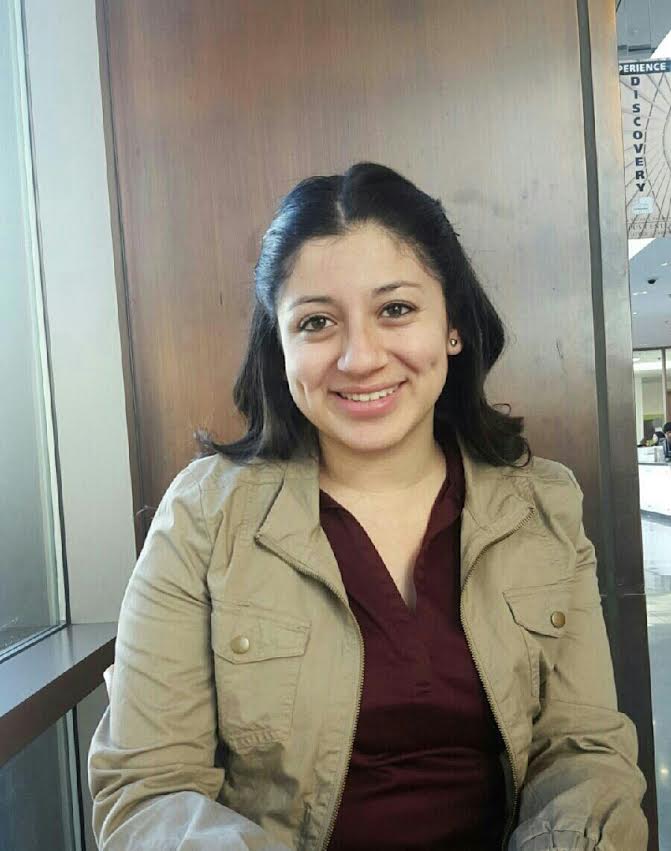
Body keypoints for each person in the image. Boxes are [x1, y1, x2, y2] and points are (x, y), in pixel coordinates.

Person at [88, 163, 647, 850]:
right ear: (280, 345)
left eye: (395, 310)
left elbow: (585, 752)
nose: (359, 358)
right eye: (317, 322)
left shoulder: (543, 504)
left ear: (452, 326)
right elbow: (149, 790)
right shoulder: (203, 518)